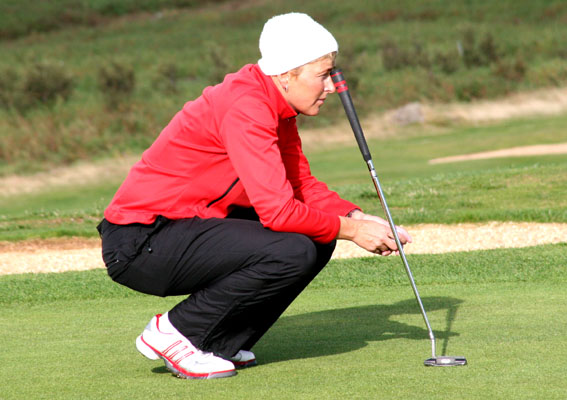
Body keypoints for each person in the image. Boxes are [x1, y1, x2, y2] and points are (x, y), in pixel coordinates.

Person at [97, 12, 412, 380]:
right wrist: (353, 232)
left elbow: (300, 185)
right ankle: (176, 332)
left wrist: (356, 218)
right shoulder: (247, 105)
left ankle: (218, 344)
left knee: (318, 237)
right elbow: (278, 212)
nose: (331, 87)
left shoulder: (277, 106)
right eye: (323, 75)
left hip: (187, 228)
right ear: (286, 75)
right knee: (292, 249)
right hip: (142, 241)